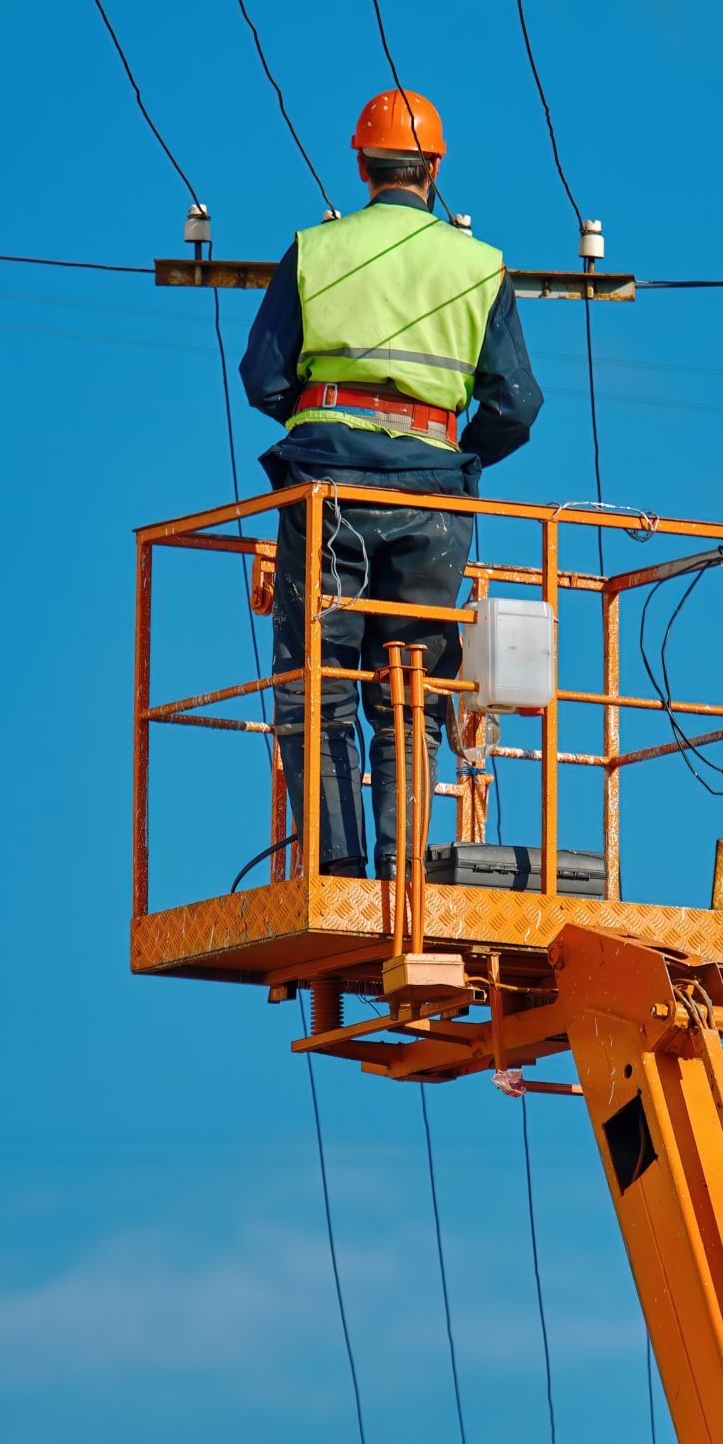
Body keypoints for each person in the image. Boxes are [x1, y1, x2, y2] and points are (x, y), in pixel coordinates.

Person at [240, 88, 542, 878]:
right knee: (410, 693)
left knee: (320, 686)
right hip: (429, 496)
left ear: (360, 163)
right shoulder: (478, 266)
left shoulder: (315, 250)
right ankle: (405, 873)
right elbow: (516, 405)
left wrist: (326, 420)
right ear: (434, 167)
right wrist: (448, 459)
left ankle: (337, 877)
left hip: (326, 489)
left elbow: (262, 379)